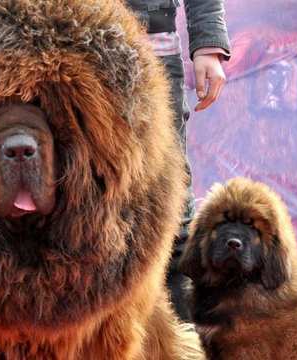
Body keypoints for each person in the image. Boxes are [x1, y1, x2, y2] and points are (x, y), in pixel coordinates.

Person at [125, 0, 231, 320]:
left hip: (152, 56)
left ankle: (184, 335)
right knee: (76, 203)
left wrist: (208, 45)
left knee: (171, 209)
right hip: (69, 54)